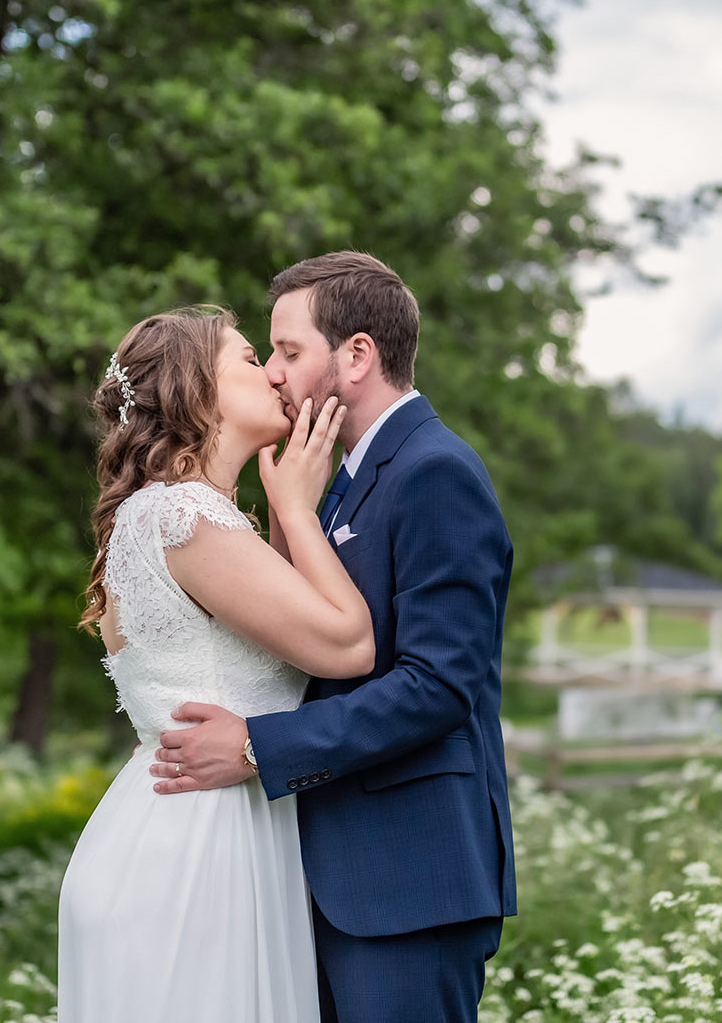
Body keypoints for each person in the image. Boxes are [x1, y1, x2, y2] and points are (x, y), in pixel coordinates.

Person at [149, 252, 517, 1023]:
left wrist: (258, 745)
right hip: (312, 878)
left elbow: (438, 686)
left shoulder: (434, 470)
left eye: (288, 351)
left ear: (357, 354)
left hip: (407, 881)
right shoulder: (335, 477)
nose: (276, 373)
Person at [58, 307, 374, 1020]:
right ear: (195, 390)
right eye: (245, 358)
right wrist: (296, 508)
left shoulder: (169, 515)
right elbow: (350, 647)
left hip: (175, 826)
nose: (270, 371)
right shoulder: (186, 517)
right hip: (197, 851)